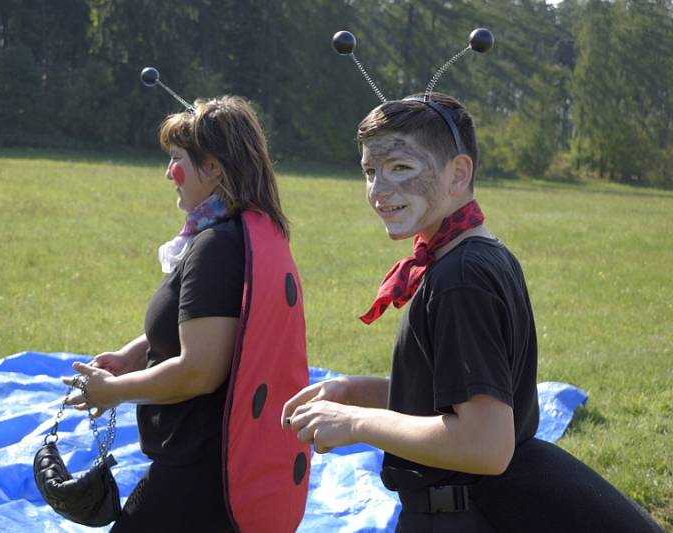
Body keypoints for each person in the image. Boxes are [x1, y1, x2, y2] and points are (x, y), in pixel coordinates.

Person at [282, 93, 662, 532]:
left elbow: (485, 445)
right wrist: (354, 392)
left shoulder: (459, 280)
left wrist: (356, 422)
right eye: (370, 171)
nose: (379, 191)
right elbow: (453, 396)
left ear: (458, 173)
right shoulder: (478, 255)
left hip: (463, 515)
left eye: (400, 168)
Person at [62, 95, 308, 533]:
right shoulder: (254, 229)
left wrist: (113, 392)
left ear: (213, 168)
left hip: (201, 470)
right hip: (227, 461)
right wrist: (134, 354)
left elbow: (199, 371)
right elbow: (218, 325)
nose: (168, 174)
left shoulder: (216, 247)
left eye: (177, 160)